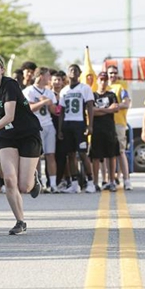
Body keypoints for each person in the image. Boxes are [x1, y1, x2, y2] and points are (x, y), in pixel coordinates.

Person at [0, 54, 43, 235]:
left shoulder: (10, 85)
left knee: (24, 187)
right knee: (8, 179)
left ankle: (33, 176)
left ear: (2, 70)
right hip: (7, 136)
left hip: (28, 134)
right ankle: (20, 221)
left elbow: (9, 116)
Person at [58, 64, 96, 194]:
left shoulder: (85, 88)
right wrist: (60, 129)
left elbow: (90, 107)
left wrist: (90, 125)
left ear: (80, 73)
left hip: (79, 123)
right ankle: (74, 184)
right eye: (70, 70)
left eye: (75, 70)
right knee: (71, 154)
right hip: (67, 124)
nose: (73, 72)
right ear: (67, 74)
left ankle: (90, 182)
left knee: (83, 153)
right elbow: (61, 112)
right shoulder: (64, 91)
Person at [23, 67, 59, 192]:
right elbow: (29, 108)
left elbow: (55, 111)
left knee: (50, 154)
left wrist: (51, 104)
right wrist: (43, 102)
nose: (50, 78)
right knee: (36, 156)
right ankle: (38, 183)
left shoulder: (49, 92)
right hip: (35, 126)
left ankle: (53, 184)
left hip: (48, 125)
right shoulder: (29, 91)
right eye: (48, 76)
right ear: (41, 76)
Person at [91, 71, 120, 191]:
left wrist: (101, 110)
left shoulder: (111, 95)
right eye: (101, 80)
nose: (103, 82)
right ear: (97, 81)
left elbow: (116, 109)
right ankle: (95, 182)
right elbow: (91, 111)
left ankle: (112, 180)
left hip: (109, 129)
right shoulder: (92, 95)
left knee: (111, 155)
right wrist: (108, 110)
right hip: (96, 129)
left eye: (105, 80)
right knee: (96, 156)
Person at [107, 65, 133, 190]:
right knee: (108, 153)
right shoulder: (102, 87)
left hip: (118, 122)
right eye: (110, 73)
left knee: (121, 151)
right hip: (105, 123)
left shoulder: (120, 87)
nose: (112, 75)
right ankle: (109, 179)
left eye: (114, 73)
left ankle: (127, 180)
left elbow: (126, 103)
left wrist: (115, 107)